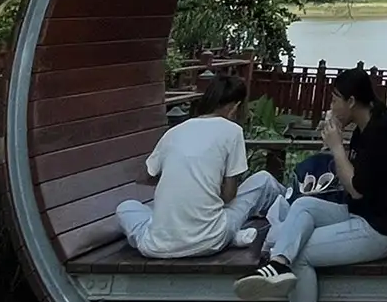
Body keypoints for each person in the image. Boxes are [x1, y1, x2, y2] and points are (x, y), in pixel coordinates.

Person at [234, 64, 387, 302]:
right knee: (303, 206)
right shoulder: (365, 129)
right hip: (358, 214)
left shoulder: (383, 135)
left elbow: (355, 189)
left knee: (301, 254)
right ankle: (278, 264)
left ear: (352, 102)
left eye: (334, 99)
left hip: (379, 230)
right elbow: (350, 182)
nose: (331, 106)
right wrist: (336, 145)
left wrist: (337, 147)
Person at [114, 74, 283, 264]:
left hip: (155, 246)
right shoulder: (232, 131)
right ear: (235, 107)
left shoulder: (174, 132)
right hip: (210, 240)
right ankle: (239, 234)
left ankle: (231, 235)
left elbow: (143, 177)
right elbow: (229, 196)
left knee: (126, 207)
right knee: (264, 180)